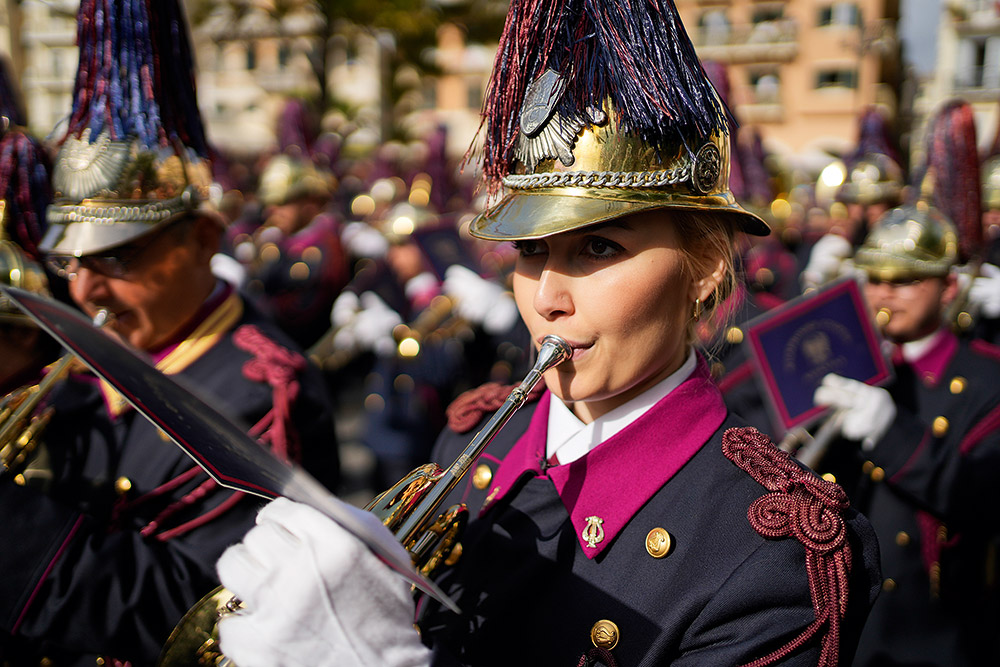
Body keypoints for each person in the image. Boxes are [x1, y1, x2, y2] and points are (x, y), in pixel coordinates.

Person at [215, 1, 880, 666]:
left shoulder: (773, 553)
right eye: (530, 251)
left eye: (597, 247)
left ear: (703, 266)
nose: (548, 298)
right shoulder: (479, 436)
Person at [0, 1, 338, 663]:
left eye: (119, 259)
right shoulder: (94, 356)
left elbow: (192, 609)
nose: (88, 291)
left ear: (204, 238)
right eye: (71, 263)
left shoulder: (261, 390)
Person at [810, 103, 1000, 666]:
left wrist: (892, 432)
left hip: (936, 635)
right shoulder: (853, 359)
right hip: (846, 625)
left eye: (907, 279)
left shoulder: (987, 376)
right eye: (875, 279)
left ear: (948, 288)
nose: (885, 294)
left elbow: (983, 496)